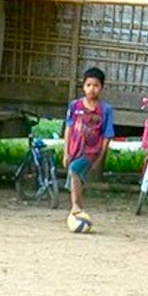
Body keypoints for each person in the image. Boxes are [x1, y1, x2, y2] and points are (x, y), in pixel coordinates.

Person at [61, 66, 115, 214]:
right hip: (74, 148)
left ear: (102, 88)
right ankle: (77, 206)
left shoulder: (105, 109)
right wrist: (66, 152)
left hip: (91, 150)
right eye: (88, 85)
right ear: (83, 87)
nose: (92, 89)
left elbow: (106, 136)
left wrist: (99, 158)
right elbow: (68, 129)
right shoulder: (74, 106)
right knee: (75, 176)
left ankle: (76, 206)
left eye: (96, 85)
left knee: (74, 170)